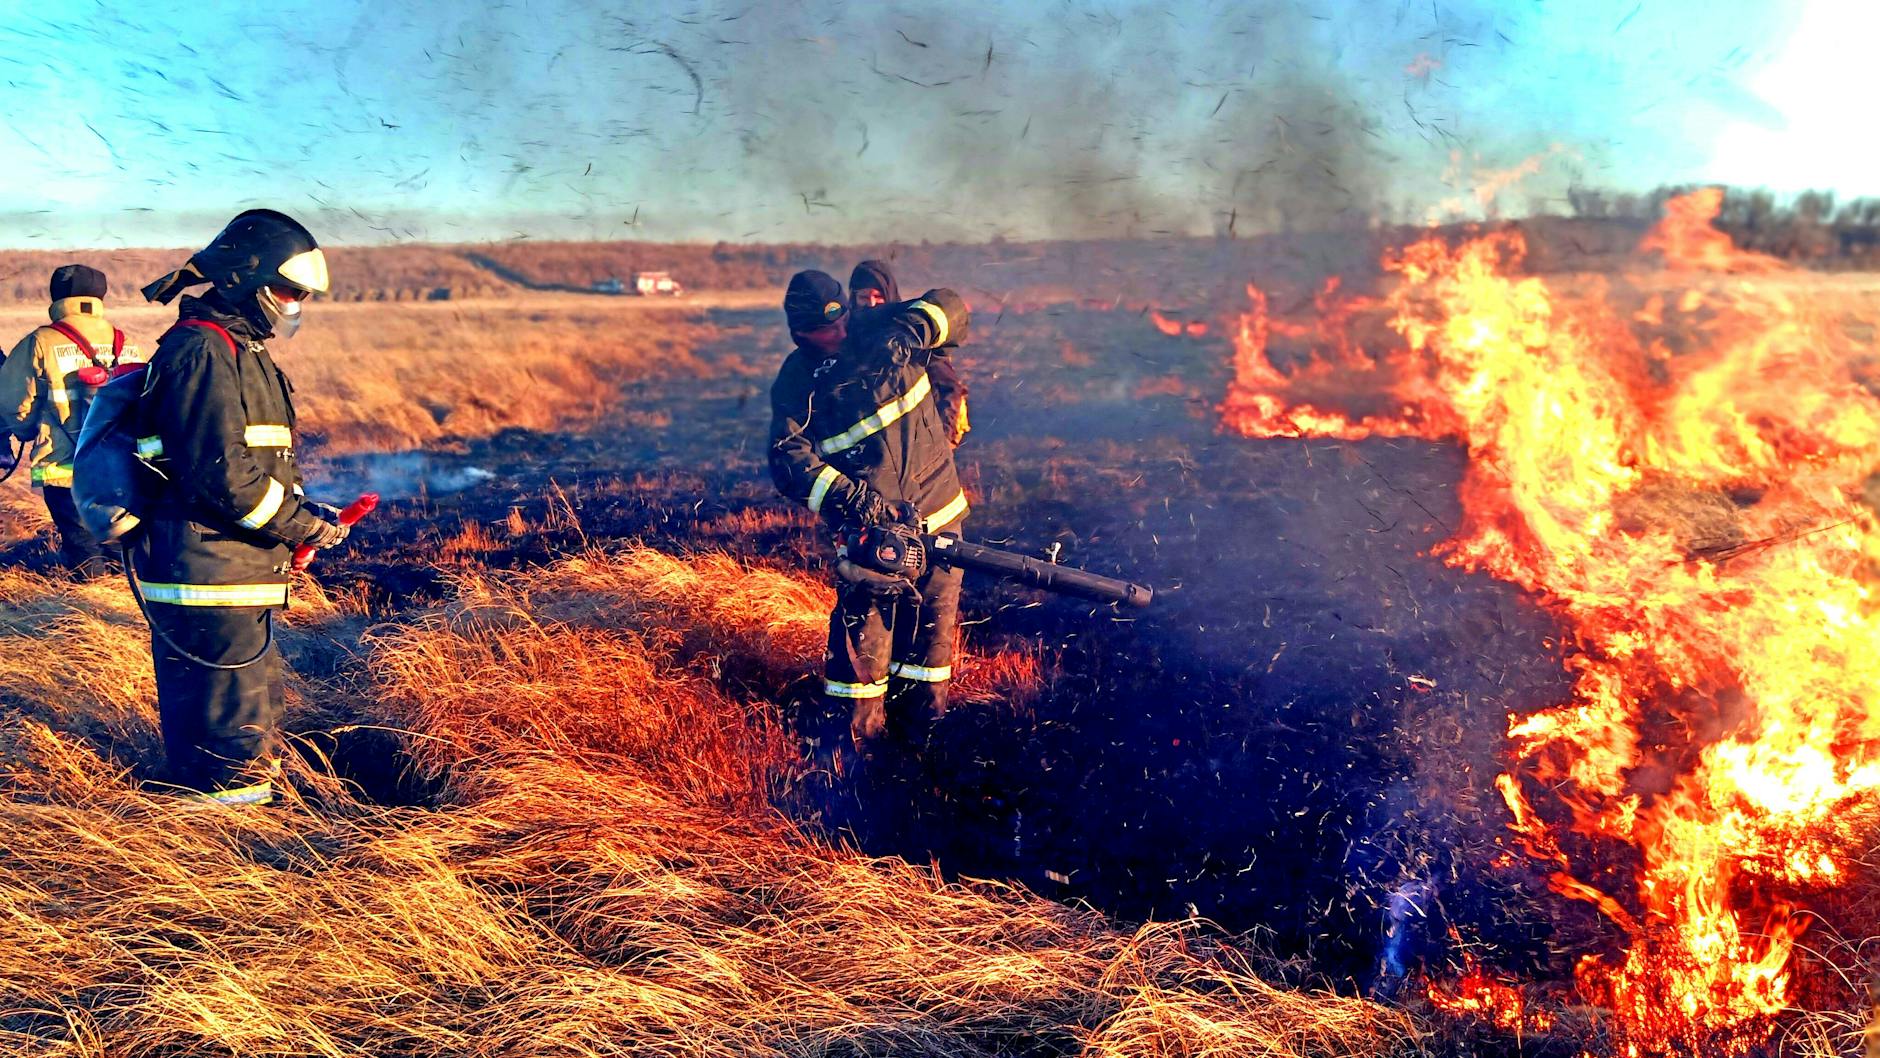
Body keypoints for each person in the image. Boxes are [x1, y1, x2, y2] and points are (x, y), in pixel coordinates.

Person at [133, 209, 352, 805]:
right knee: (226, 743)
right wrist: (300, 527)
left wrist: (300, 522)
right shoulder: (202, 350)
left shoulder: (241, 349)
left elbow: (262, 463)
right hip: (207, 577)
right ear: (245, 279)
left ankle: (240, 823)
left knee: (249, 723)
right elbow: (222, 477)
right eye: (289, 290)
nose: (295, 304)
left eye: (302, 295)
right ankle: (227, 847)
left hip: (233, 572)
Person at [769, 268, 972, 800]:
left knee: (930, 650)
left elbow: (951, 305)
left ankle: (924, 759)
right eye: (824, 330)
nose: (839, 334)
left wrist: (913, 329)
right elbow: (788, 462)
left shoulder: (884, 327)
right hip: (873, 540)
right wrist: (853, 500)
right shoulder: (798, 382)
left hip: (940, 516)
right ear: (800, 332)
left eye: (841, 321)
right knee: (864, 650)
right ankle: (856, 770)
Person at [0, 265, 146, 578]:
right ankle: (119, 597)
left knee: (84, 550)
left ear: (56, 297)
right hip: (121, 472)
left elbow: (14, 404)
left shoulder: (40, 341)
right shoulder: (127, 341)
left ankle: (85, 598)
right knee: (121, 547)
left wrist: (25, 430)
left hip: (64, 471)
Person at [848, 259, 969, 447]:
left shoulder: (909, 331)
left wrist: (942, 441)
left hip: (918, 442)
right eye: (864, 297)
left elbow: (947, 388)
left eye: (878, 296)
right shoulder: (847, 335)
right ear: (853, 298)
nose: (871, 304)